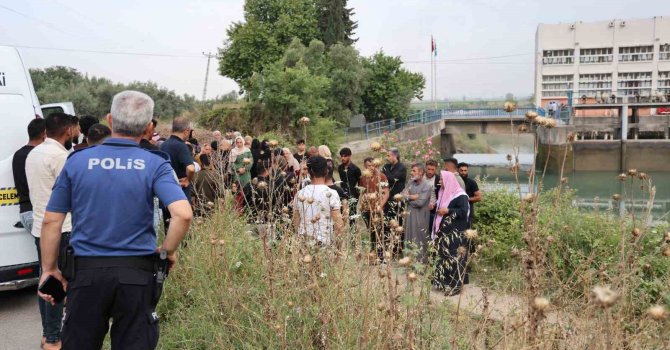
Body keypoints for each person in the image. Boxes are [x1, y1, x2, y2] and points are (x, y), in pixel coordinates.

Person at [37, 90, 193, 349]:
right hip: (137, 274)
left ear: (110, 120)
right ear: (147, 127)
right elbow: (183, 214)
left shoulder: (77, 161)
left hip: (86, 274)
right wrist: (167, 251)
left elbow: (52, 221)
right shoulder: (155, 163)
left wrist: (49, 269)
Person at [25, 113, 77, 349]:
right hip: (60, 228)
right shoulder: (60, 156)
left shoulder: (33, 153)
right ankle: (54, 339)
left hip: (39, 227)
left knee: (45, 278)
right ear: (68, 131)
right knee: (57, 282)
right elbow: (72, 194)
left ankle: (47, 334)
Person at [432, 171, 470, 296]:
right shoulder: (443, 193)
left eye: (442, 180)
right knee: (443, 256)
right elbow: (439, 210)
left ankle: (456, 286)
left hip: (456, 231)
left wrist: (448, 210)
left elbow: (463, 212)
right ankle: (443, 282)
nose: (440, 182)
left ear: (449, 181)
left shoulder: (460, 195)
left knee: (455, 257)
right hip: (444, 231)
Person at [292, 156, 343, 246]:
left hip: (304, 242)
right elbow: (338, 225)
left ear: (309, 171)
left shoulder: (300, 194)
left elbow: (296, 222)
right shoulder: (331, 193)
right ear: (326, 171)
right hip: (325, 242)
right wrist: (338, 249)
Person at [12, 118, 46, 235]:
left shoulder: (18, 154)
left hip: (25, 211)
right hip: (37, 211)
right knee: (51, 251)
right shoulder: (38, 154)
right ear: (44, 133)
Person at [358, 157, 389, 261]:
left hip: (377, 209)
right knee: (371, 232)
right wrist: (362, 206)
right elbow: (362, 192)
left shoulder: (382, 176)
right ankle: (372, 255)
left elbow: (386, 193)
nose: (370, 168)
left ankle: (381, 256)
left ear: (375, 165)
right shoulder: (363, 178)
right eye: (368, 166)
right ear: (365, 167)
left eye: (372, 165)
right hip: (367, 209)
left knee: (379, 232)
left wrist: (380, 205)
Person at [160, 117, 195, 201]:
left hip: (165, 191)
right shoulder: (181, 146)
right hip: (180, 191)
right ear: (186, 132)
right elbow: (191, 168)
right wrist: (188, 180)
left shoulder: (163, 145)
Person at [404, 164, 432, 263]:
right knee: (409, 235)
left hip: (421, 216)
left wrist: (409, 197)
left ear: (420, 172)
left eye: (414, 171)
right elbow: (402, 195)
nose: (411, 173)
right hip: (409, 214)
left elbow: (420, 202)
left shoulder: (427, 186)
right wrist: (413, 196)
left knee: (420, 237)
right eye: (411, 170)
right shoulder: (410, 182)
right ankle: (409, 261)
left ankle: (421, 263)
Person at [382, 148, 407, 255]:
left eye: (389, 155)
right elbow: (383, 177)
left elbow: (391, 178)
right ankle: (389, 246)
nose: (387, 158)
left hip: (397, 199)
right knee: (388, 222)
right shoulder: (387, 166)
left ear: (395, 156)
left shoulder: (402, 167)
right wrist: (385, 176)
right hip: (387, 198)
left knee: (397, 222)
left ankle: (399, 248)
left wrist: (385, 175)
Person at [337, 147, 361, 223]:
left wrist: (357, 193)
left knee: (352, 214)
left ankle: (353, 231)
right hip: (343, 193)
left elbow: (360, 183)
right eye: (341, 156)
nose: (342, 158)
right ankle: (342, 231)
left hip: (353, 194)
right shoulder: (340, 168)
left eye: (345, 156)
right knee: (341, 212)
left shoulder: (356, 169)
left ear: (349, 156)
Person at [457, 162, 482, 228]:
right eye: (461, 170)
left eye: (465, 170)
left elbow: (479, 197)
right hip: (455, 212)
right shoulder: (454, 182)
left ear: (467, 171)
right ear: (457, 170)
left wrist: (465, 199)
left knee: (467, 234)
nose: (463, 172)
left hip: (468, 213)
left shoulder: (471, 182)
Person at [424, 159, 440, 235]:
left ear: (436, 169)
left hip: (433, 210)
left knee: (431, 231)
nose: (430, 171)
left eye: (432, 169)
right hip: (420, 209)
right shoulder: (420, 178)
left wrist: (435, 204)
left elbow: (441, 196)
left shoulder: (439, 179)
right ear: (425, 168)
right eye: (428, 169)